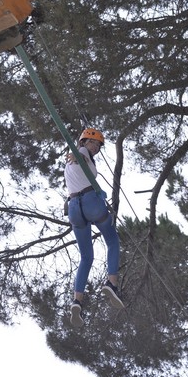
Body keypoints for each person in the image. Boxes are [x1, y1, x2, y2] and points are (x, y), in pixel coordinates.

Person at [64, 128, 124, 327]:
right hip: (90, 201)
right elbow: (78, 153)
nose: (96, 148)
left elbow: (75, 156)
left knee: (86, 257)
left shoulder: (71, 164)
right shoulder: (82, 153)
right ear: (84, 141)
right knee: (113, 241)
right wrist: (78, 151)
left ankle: (77, 302)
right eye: (93, 143)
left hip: (73, 208)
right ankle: (112, 283)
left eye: (98, 145)